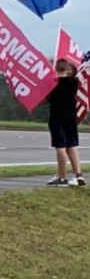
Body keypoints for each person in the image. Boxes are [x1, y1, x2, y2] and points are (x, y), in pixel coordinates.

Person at [44, 59, 84, 187]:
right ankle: (78, 175)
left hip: (57, 116)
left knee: (60, 146)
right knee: (72, 145)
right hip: (71, 117)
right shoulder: (74, 82)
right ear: (67, 70)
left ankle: (62, 177)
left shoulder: (52, 84)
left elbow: (44, 100)